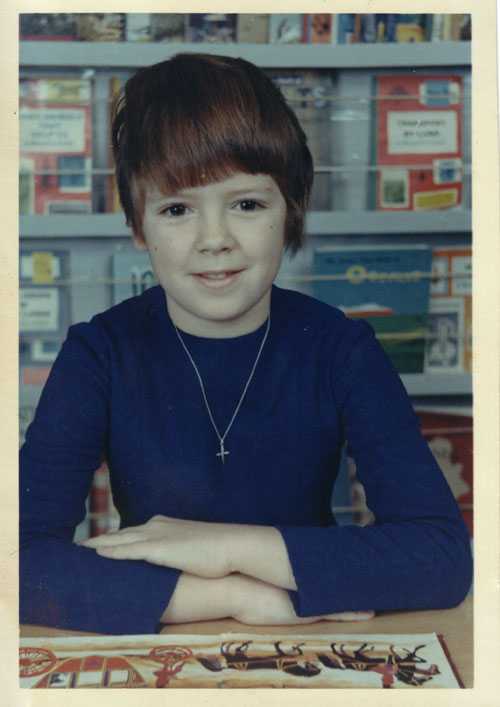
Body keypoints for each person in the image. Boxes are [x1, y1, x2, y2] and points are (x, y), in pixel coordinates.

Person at [19, 53, 472, 635]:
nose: (215, 239)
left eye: (247, 204)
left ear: (292, 210)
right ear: (136, 225)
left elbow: (442, 556)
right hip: (200, 624)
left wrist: (227, 547)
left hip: (308, 635)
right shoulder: (98, 354)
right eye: (177, 209)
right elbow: (15, 559)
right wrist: (235, 596)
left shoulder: (342, 349)